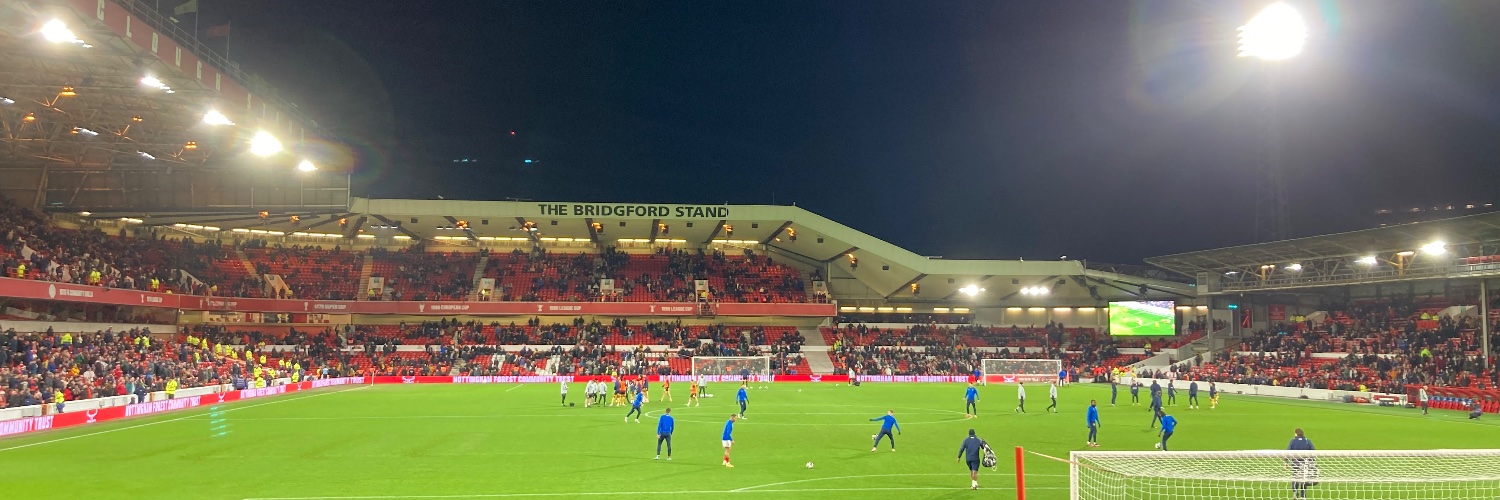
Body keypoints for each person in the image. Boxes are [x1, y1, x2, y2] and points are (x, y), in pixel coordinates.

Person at [1287, 428, 1318, 498]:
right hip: (1305, 464)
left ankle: (1295, 492)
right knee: (1304, 479)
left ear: (1296, 434)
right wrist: (1312, 461)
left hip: (1295, 463)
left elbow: (1287, 452)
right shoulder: (1307, 441)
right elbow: (1313, 451)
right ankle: (1303, 496)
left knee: (1295, 477)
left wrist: (1286, 462)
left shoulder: (1292, 441)